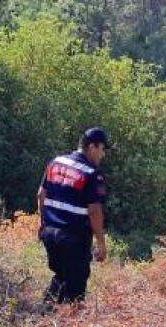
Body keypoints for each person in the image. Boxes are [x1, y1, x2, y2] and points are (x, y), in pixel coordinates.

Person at [37, 128, 111, 304]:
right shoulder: (92, 174)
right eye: (102, 149)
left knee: (61, 276)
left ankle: (45, 316)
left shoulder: (56, 162)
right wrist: (101, 243)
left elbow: (41, 194)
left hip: (50, 233)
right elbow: (94, 211)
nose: (103, 155)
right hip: (73, 238)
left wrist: (43, 224)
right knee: (75, 289)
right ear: (92, 147)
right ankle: (68, 326)